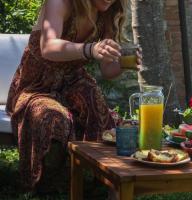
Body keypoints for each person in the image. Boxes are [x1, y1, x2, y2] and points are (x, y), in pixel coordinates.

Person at [5, 0, 140, 192]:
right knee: (52, 118)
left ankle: (101, 177)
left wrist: (125, 64)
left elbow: (108, 69)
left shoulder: (109, 12)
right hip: (36, 85)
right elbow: (48, 47)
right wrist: (90, 49)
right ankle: (49, 183)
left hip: (72, 81)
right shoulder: (60, 3)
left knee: (96, 105)